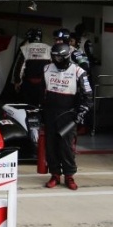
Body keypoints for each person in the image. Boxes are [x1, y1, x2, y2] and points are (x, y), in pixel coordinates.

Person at [41, 42, 93, 190]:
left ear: (65, 57)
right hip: (50, 113)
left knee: (66, 147)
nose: (56, 60)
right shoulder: (46, 69)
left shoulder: (78, 72)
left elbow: (88, 96)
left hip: (68, 114)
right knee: (51, 146)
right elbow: (41, 92)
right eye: (54, 57)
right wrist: (39, 111)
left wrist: (81, 113)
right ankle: (55, 175)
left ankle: (69, 176)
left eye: (59, 57)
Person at [12, 29, 51, 107]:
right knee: (40, 105)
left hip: (28, 83)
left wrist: (17, 81)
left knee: (27, 105)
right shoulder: (49, 48)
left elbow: (20, 67)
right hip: (43, 84)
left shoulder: (24, 48)